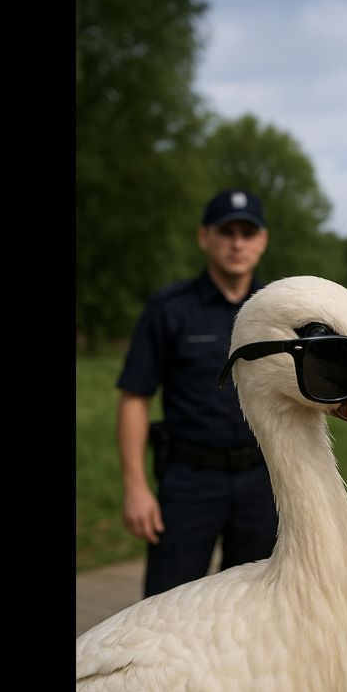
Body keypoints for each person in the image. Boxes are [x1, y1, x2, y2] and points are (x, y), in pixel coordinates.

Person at [115, 188, 281, 599]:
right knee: (167, 607)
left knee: (257, 609)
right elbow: (135, 397)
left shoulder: (277, 313)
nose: (237, 243)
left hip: (261, 480)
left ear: (262, 240)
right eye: (227, 232)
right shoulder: (169, 309)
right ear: (204, 237)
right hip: (189, 482)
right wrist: (135, 486)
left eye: (248, 233)